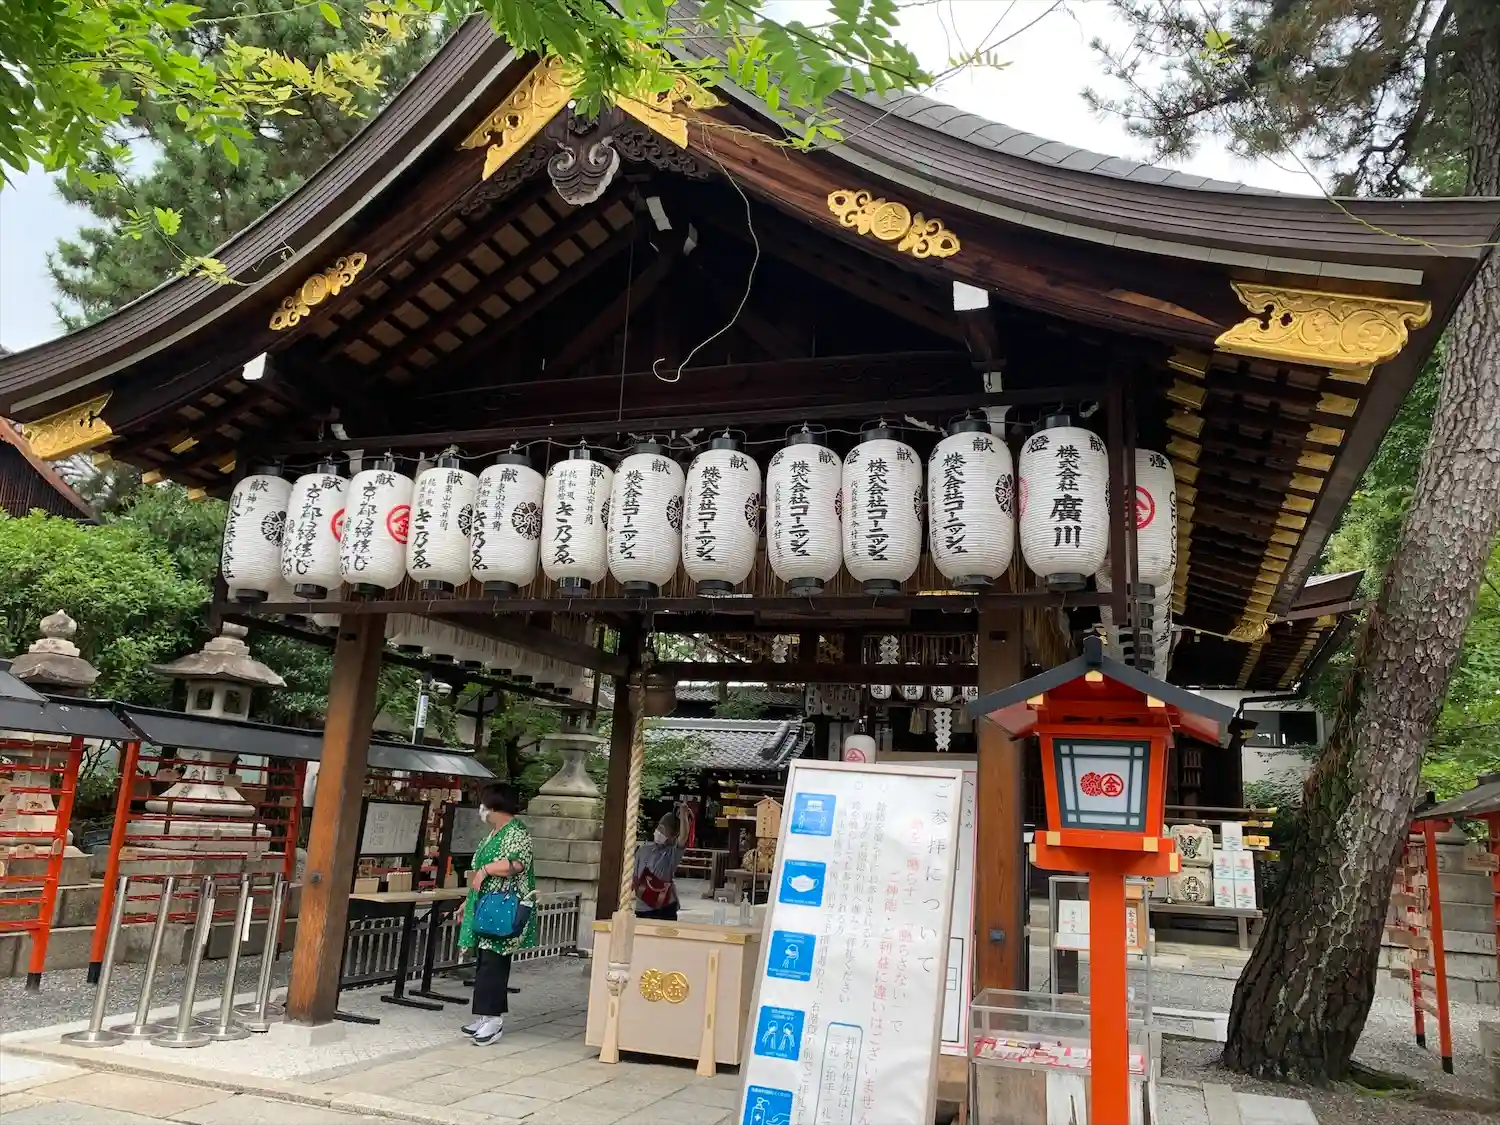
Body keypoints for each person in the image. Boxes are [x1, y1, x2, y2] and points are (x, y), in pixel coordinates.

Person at [455, 783, 536, 1045]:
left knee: (494, 961)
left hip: (503, 907)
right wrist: (467, 903)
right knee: (485, 961)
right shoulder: (493, 834)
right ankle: (484, 1015)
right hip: (486, 904)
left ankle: (493, 1019)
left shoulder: (516, 832)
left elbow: (517, 864)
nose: (482, 810)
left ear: (494, 806)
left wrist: (486, 870)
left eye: (484, 804)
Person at [633, 805, 691, 921]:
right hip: (643, 906)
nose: (659, 832)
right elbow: (634, 876)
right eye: (659, 828)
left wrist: (684, 816)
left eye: (663, 830)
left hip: (665, 906)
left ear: (672, 836)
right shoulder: (643, 850)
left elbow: (683, 836)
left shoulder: (672, 853)